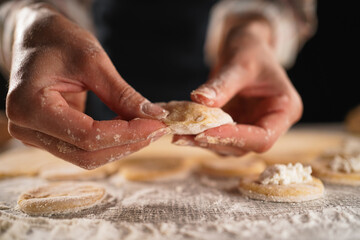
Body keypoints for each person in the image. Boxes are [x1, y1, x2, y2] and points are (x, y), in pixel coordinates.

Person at [0, 0, 316, 169]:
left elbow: (291, 6)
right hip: (80, 101)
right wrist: (27, 21)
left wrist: (254, 32)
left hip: (225, 96)